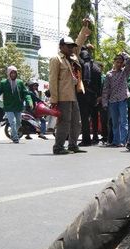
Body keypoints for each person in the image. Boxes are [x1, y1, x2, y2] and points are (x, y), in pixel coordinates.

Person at [49, 19, 91, 155]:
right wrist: (54, 100)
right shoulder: (56, 59)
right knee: (64, 122)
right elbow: (53, 80)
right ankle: (58, 147)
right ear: (61, 46)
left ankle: (73, 145)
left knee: (76, 122)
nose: (71, 48)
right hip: (62, 96)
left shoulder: (72, 57)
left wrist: (84, 28)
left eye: (71, 46)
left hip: (72, 95)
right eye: (68, 46)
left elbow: (79, 43)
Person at [0, 66, 32, 143]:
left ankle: (12, 134)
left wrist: (30, 101)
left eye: (14, 73)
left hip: (18, 106)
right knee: (13, 122)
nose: (13, 75)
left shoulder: (20, 82)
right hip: (8, 107)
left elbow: (26, 93)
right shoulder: (3, 83)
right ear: (8, 73)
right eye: (11, 73)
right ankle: (15, 138)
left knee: (18, 123)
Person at [102, 51, 130, 148]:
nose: (119, 64)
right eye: (117, 61)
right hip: (112, 101)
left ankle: (123, 141)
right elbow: (106, 89)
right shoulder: (109, 74)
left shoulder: (125, 72)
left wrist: (123, 54)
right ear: (114, 62)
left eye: (121, 62)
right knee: (115, 122)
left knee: (124, 121)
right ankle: (116, 140)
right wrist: (104, 102)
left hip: (122, 99)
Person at [78, 46, 103, 146]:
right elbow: (100, 84)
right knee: (94, 116)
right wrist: (99, 95)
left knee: (85, 118)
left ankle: (86, 139)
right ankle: (95, 136)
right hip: (95, 96)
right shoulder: (96, 67)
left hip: (84, 95)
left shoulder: (81, 65)